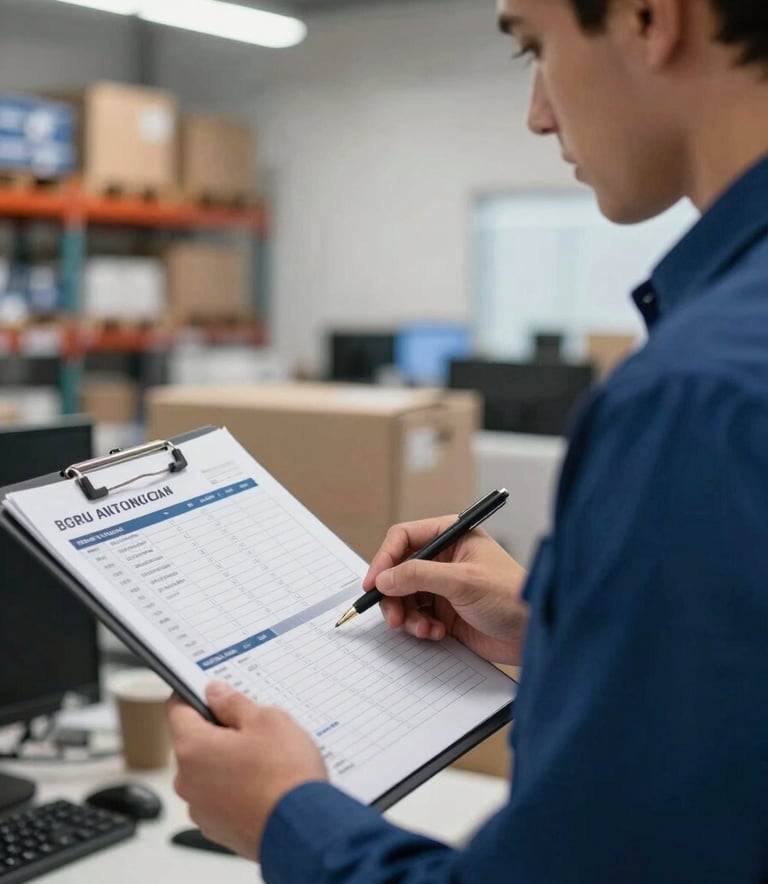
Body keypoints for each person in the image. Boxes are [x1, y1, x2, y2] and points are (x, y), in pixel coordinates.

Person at [167, 0, 768, 880]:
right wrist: (559, 627)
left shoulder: (698, 395)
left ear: (649, 17)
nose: (537, 113)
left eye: (537, 48)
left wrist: (283, 814)